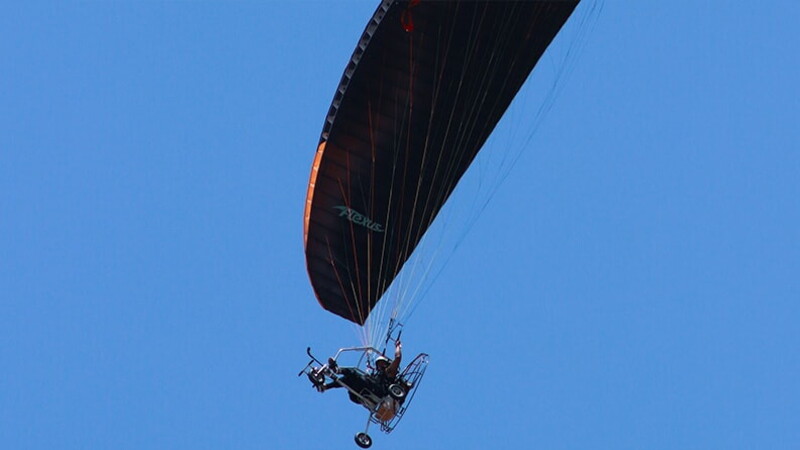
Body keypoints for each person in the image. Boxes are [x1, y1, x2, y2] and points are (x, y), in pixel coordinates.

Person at [314, 340, 403, 406]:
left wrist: (398, 346)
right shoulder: (376, 375)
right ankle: (325, 386)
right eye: (378, 365)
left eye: (381, 364)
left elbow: (398, 358)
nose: (379, 367)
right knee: (347, 380)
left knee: (353, 372)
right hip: (360, 394)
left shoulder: (389, 372)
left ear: (386, 364)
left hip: (377, 391)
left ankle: (336, 370)